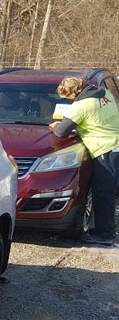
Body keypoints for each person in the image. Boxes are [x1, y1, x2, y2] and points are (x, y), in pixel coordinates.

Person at [50, 77, 119, 246]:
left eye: (68, 97)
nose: (70, 100)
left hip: (105, 149)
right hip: (116, 144)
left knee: (103, 194)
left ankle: (105, 234)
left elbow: (61, 131)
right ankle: (106, 230)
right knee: (111, 192)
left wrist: (55, 125)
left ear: (74, 93)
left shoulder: (81, 106)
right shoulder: (106, 94)